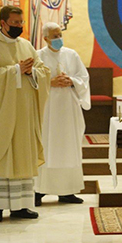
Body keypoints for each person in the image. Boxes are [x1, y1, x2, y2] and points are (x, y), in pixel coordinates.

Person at [0, 5, 50, 222]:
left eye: (21, 23)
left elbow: (43, 71)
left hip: (23, 112)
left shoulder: (26, 45)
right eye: (15, 23)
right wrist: (16, 70)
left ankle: (20, 206)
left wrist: (32, 71)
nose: (19, 26)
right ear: (3, 22)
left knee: (21, 154)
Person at [34, 22, 90, 206]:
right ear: (45, 38)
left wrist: (71, 81)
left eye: (60, 34)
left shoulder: (71, 55)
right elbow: (32, 79)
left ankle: (67, 191)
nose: (59, 39)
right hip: (48, 109)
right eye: (54, 36)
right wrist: (49, 82)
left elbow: (83, 78)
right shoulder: (38, 56)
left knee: (68, 147)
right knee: (46, 146)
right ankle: (39, 191)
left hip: (68, 108)